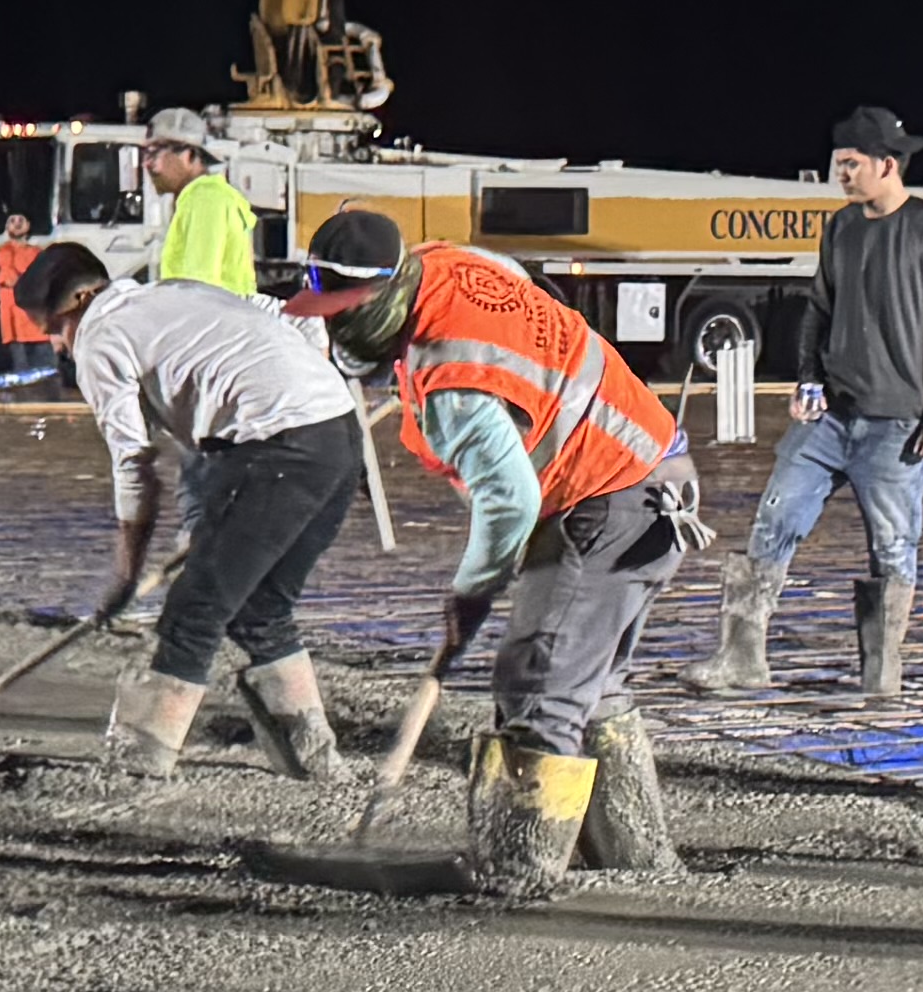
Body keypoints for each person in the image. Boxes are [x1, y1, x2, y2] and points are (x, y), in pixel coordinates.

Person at [286, 209, 701, 895]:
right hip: (651, 473)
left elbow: (508, 502)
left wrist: (470, 596)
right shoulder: (445, 263)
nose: (333, 330)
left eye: (339, 316)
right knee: (588, 682)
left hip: (609, 496)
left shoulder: (453, 384)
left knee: (540, 679)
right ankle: (636, 856)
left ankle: (518, 866)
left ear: (377, 305)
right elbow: (524, 293)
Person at [15, 238, 362, 779]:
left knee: (192, 614)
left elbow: (134, 464)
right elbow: (291, 312)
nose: (59, 345)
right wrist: (308, 378)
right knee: (260, 608)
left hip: (278, 449)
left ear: (81, 300)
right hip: (337, 435)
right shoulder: (178, 292)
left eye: (55, 329)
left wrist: (125, 574)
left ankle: (135, 767)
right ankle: (315, 759)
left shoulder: (101, 337)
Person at [713, 105, 923, 697]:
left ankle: (880, 678)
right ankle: (740, 660)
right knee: (775, 517)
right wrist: (808, 378)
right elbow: (820, 308)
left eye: (852, 163)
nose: (842, 174)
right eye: (839, 163)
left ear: (888, 165)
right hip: (828, 416)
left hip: (899, 425)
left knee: (892, 545)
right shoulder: (841, 227)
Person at [140, 108, 261, 294]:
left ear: (189, 155)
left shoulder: (205, 198)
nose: (147, 164)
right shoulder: (201, 197)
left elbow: (197, 288)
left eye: (155, 153)